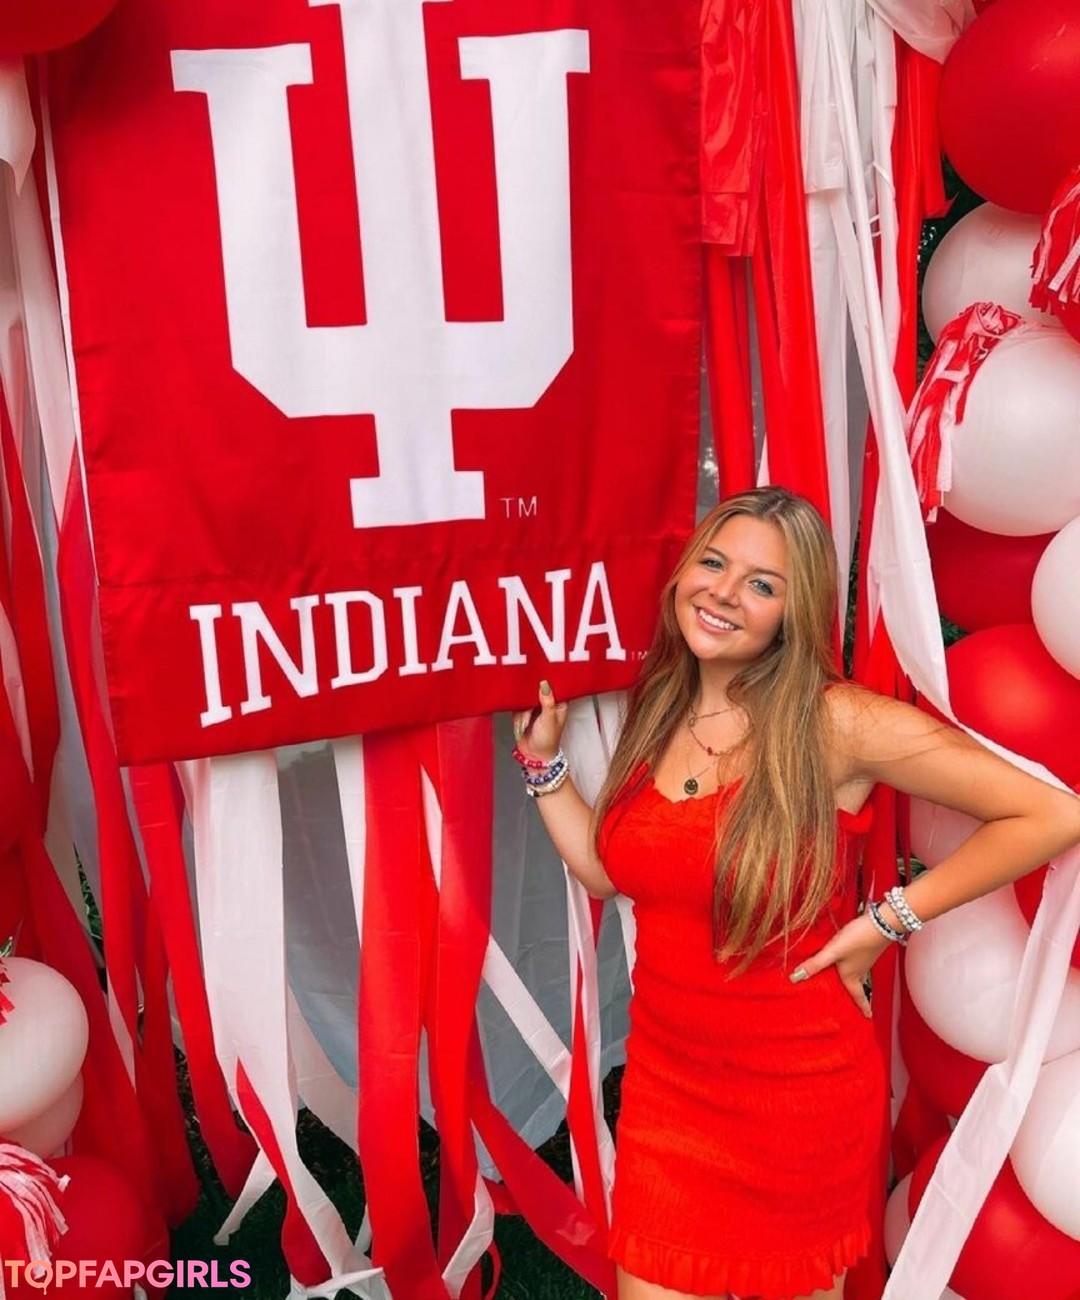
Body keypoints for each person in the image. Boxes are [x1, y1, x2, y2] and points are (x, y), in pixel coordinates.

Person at [510, 486, 1080, 1300]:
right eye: (713, 563)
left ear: (792, 610)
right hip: (667, 1095)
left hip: (797, 1103)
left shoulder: (834, 723)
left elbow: (1050, 813)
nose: (723, 593)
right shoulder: (662, 705)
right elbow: (609, 872)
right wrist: (543, 767)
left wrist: (889, 920)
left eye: (761, 584)